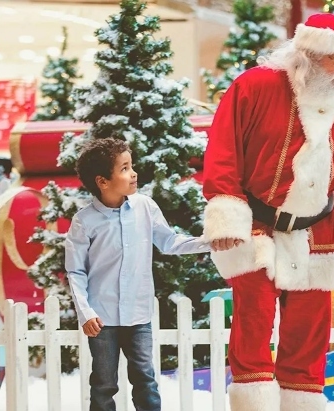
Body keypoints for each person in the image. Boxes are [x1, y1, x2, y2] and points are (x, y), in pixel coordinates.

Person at [201, 12, 334, 411]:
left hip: (319, 232)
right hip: (257, 226)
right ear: (308, 55)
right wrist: (227, 212)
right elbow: (223, 151)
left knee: (308, 337)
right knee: (254, 325)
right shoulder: (254, 87)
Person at [65, 138, 210, 411]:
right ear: (103, 181)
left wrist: (211, 241)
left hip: (138, 315)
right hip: (101, 318)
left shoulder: (145, 206)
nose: (133, 173)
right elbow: (75, 271)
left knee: (146, 381)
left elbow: (170, 242)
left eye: (131, 166)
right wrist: (85, 312)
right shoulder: (84, 222)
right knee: (104, 384)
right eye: (124, 168)